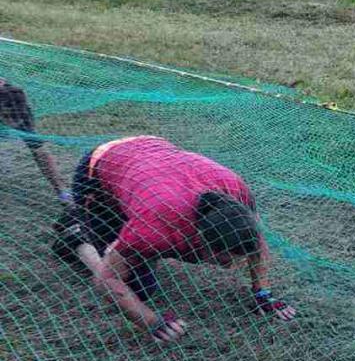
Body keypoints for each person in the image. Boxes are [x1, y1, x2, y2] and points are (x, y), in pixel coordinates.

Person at [52, 136, 296, 344]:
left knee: (137, 252)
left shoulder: (238, 198)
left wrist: (263, 294)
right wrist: (153, 322)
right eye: (224, 259)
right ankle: (76, 237)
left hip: (153, 156)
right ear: (201, 240)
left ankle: (114, 236)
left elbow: (257, 245)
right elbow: (108, 279)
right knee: (138, 288)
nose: (232, 265)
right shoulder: (155, 227)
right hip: (101, 168)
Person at [0, 77, 71, 204]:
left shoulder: (13, 98)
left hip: (7, 97)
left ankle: (61, 190)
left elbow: (37, 148)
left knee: (35, 145)